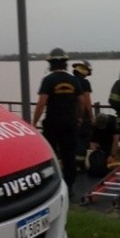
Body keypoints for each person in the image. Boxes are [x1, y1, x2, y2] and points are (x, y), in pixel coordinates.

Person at [31, 47, 84, 194]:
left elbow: (42, 103)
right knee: (69, 156)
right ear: (65, 63)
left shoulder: (48, 80)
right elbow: (82, 101)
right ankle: (70, 186)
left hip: (53, 124)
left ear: (51, 64)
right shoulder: (73, 80)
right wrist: (79, 117)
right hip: (70, 124)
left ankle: (52, 185)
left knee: (51, 155)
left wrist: (34, 123)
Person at [72, 60, 95, 171]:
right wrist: (91, 117)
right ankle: (80, 165)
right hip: (82, 115)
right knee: (83, 139)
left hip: (70, 115)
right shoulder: (85, 83)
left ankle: (71, 162)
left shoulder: (70, 81)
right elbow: (87, 101)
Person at [86, 113, 120, 177]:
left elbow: (116, 139)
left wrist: (112, 155)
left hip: (111, 139)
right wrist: (96, 156)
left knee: (111, 156)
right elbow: (92, 142)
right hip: (101, 140)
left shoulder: (112, 122)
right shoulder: (94, 125)